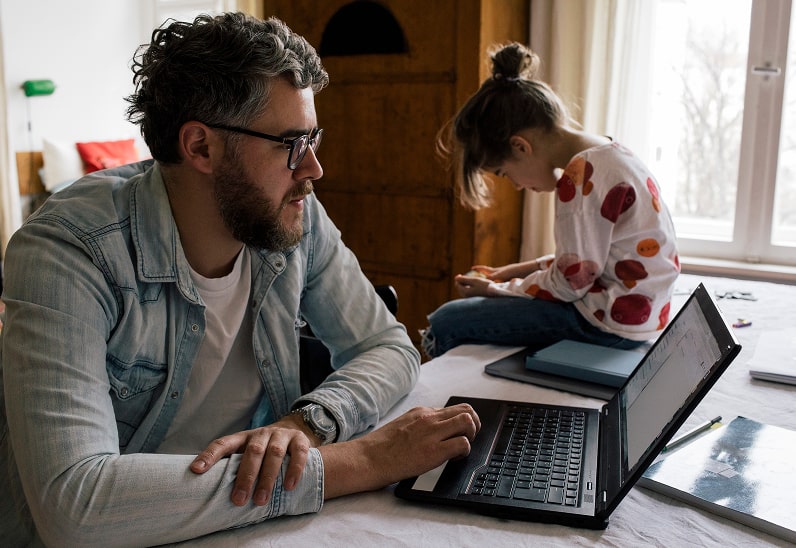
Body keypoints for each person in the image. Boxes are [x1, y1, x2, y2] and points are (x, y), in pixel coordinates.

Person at [0, 13, 480, 547]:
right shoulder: (68, 251)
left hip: (239, 524)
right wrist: (360, 460)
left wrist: (308, 426)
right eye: (291, 143)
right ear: (201, 147)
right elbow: (76, 507)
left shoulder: (292, 216)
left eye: (314, 139)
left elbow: (387, 345)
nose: (314, 169)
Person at [421, 42, 680, 359]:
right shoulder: (611, 153)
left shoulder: (579, 176)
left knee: (448, 320)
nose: (516, 186)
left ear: (520, 147)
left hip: (607, 324)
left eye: (505, 173)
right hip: (645, 315)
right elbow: (586, 260)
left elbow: (570, 285)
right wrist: (513, 271)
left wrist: (497, 290)